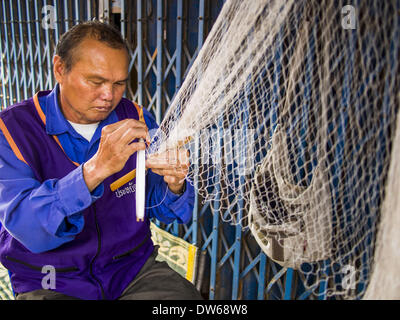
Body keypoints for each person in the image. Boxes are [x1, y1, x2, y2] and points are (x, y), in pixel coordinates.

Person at [0, 21, 202, 300]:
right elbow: (27, 229)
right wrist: (94, 170)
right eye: (95, 82)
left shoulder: (136, 118)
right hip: (51, 279)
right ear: (60, 69)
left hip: (131, 270)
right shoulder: (11, 131)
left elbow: (164, 208)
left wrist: (174, 184)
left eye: (119, 83)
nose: (109, 96)